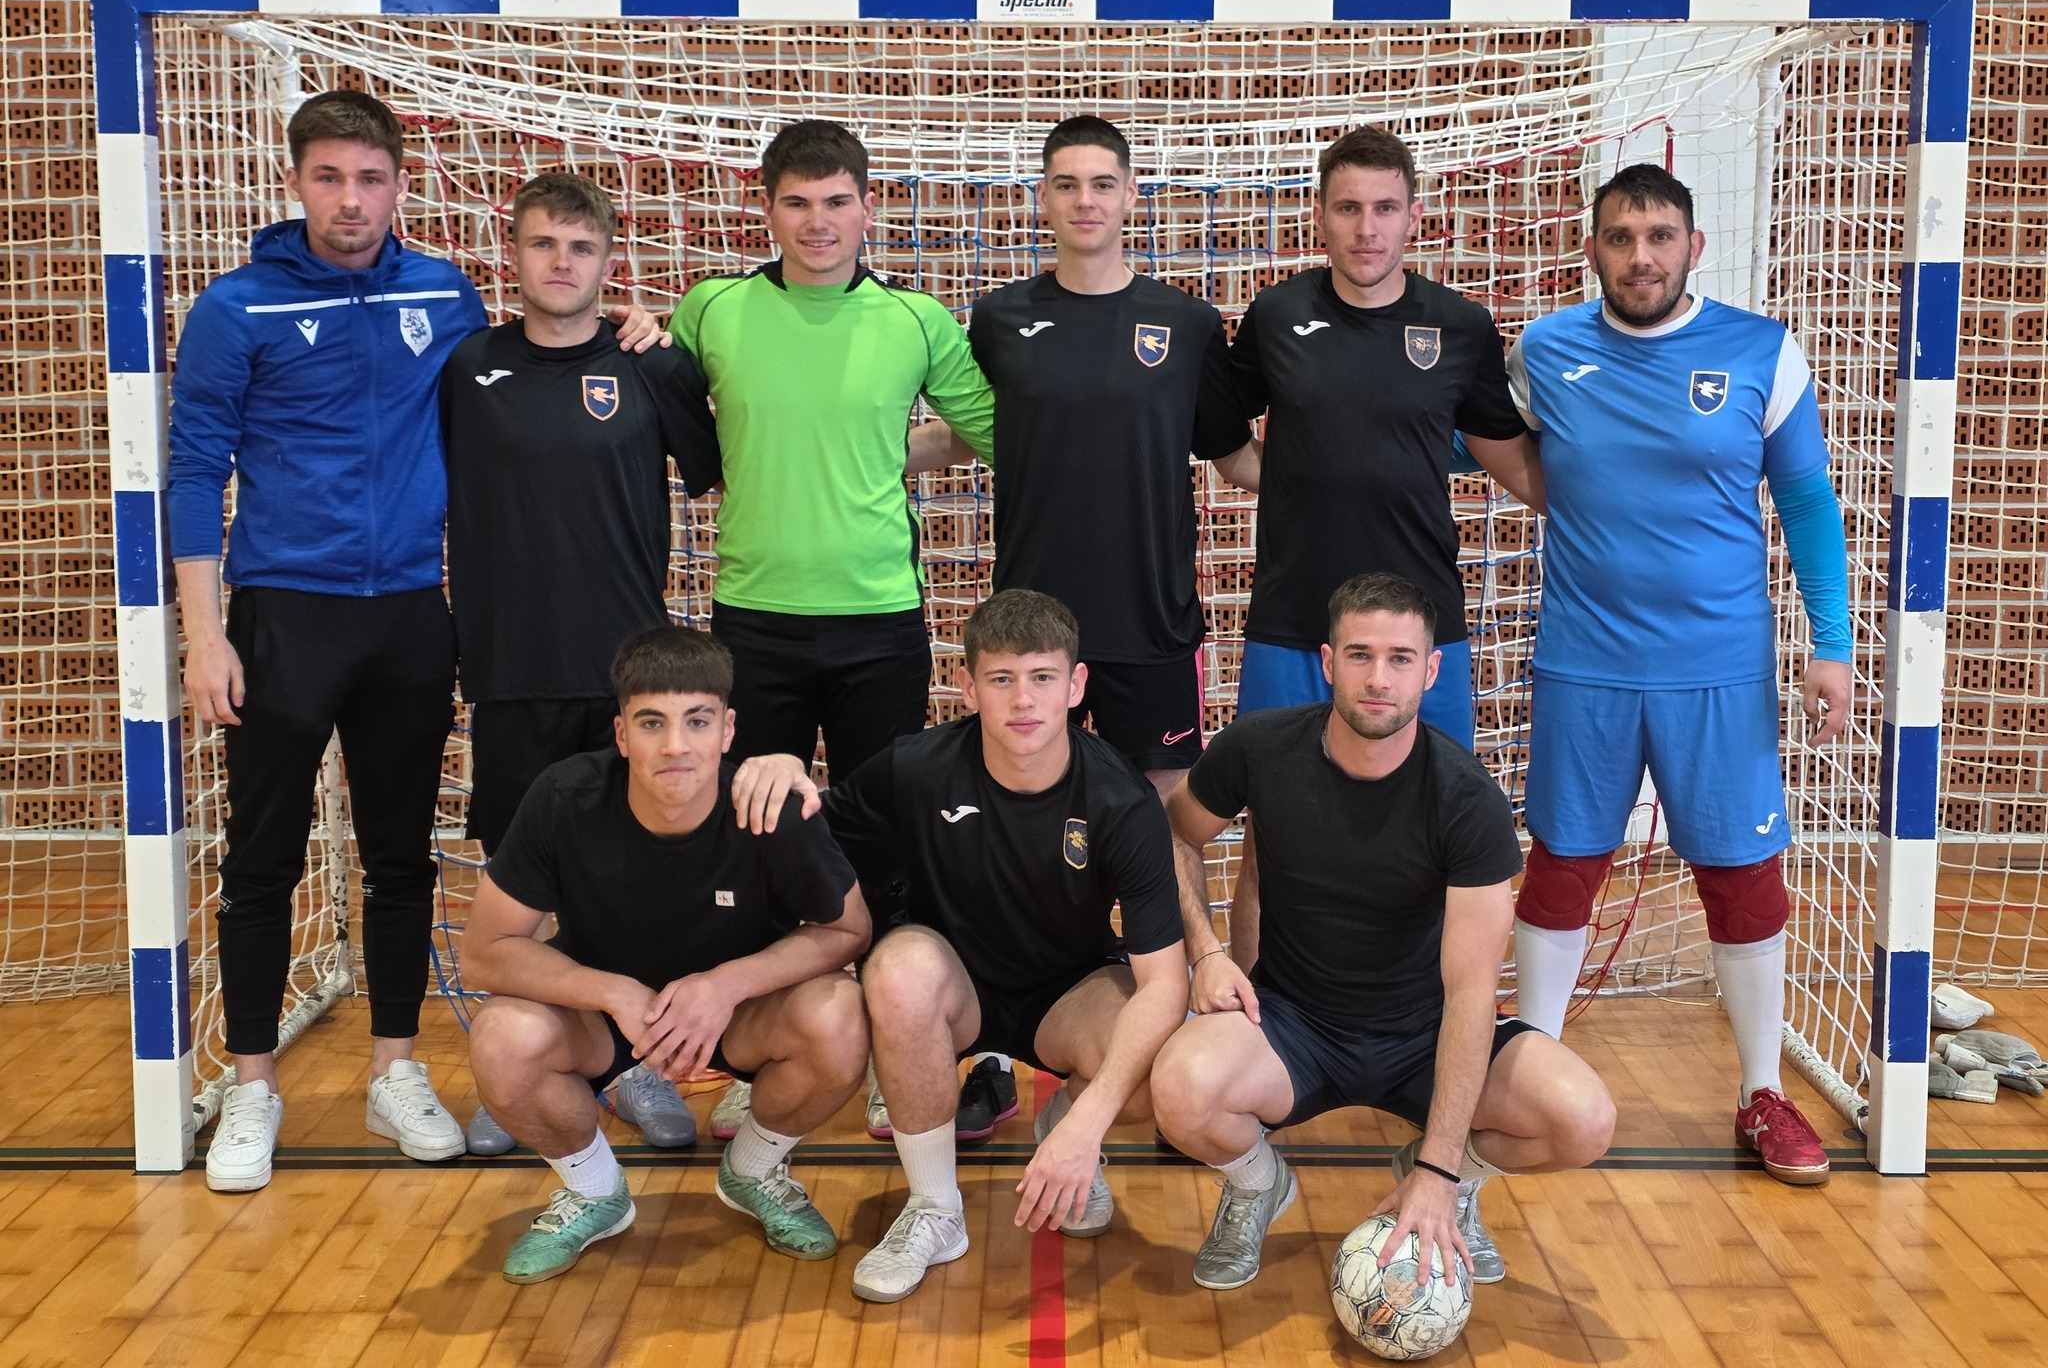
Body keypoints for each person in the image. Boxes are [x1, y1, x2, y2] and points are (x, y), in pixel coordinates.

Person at [168, 91, 662, 1193]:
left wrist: (633, 326)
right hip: (282, 614)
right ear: (294, 182)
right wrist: (204, 634)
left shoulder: (442, 293)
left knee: (400, 858)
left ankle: (395, 1069)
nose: (351, 200)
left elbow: (542, 358)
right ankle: (251, 1084)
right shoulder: (236, 308)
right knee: (262, 857)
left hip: (409, 615)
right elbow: (194, 469)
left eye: (370, 179)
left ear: (400, 185)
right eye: (329, 177)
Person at [1505, 163, 1853, 1186]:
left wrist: (1830, 644)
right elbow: (1464, 440)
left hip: (1719, 671)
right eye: (1620, 237)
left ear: (1693, 247)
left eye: (1660, 236)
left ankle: (1762, 1092)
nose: (1641, 256)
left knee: (1740, 876)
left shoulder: (1759, 351)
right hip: (1584, 664)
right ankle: (1531, 1074)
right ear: (1591, 251)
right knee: (1562, 865)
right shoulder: (1542, 351)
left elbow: (1806, 503)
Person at [1150, 574, 1613, 1292]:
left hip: (1423, 1034)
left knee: (1583, 1120)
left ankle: (1456, 1185)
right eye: (1359, 655)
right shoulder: (1261, 749)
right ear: (1328, 662)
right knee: (1180, 1090)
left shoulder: (1466, 800)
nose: (1378, 678)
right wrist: (1206, 953)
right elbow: (1173, 834)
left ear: (1430, 671)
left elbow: (1471, 993)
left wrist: (1440, 1167)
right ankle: (1258, 1186)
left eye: (1400, 658)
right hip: (1293, 1026)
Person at [730, 589, 1188, 1304]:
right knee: (898, 970)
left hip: (1067, 995)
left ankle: (1061, 1126)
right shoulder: (915, 767)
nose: (1023, 700)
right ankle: (935, 1209)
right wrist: (787, 779)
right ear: (968, 687)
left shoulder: (1121, 800)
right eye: (1001, 679)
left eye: (1042, 677)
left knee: (1161, 1067)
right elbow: (811, 834)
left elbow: (1165, 985)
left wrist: (1086, 1125)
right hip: (952, 988)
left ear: (1076, 685)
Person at [441, 171, 722, 1155]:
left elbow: (714, 468)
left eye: (581, 247)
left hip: (624, 678)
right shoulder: (468, 366)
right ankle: (518, 1069)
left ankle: (632, 1065)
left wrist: (667, 346)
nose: (561, 263)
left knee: (625, 881)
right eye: (543, 244)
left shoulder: (647, 364)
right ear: (512, 253)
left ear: (608, 260)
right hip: (513, 667)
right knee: (518, 888)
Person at [459, 625, 872, 1283]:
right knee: (501, 1036)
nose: (675, 744)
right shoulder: (565, 797)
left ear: (728, 731)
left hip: (739, 1017)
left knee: (842, 1015)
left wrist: (726, 985)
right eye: (652, 723)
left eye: (697, 721)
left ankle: (754, 1171)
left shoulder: (768, 808)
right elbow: (484, 954)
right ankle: (595, 1192)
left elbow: (849, 930)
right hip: (603, 1022)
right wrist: (613, 991)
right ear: (622, 735)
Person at [916, 115, 1258, 798]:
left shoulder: (1187, 322)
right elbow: (969, 434)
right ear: (1042, 196)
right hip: (1032, 620)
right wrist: (852, 457)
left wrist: (1348, 476)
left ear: (1130, 193)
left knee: (1163, 817)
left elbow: (1234, 455)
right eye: (1067, 185)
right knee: (1027, 808)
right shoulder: (1000, 318)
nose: (1085, 201)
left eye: (1102, 184)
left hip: (1151, 619)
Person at [665, 118, 996, 782]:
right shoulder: (710, 309)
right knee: (754, 820)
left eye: (837, 201)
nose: (818, 222)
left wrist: (877, 453)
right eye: (797, 202)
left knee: (878, 824)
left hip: (880, 617)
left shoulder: (916, 319)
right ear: (766, 209)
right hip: (753, 615)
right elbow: (664, 417)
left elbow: (997, 435)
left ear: (867, 208)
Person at [1227, 126, 1544, 749]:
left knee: (1433, 798)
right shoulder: (1276, 314)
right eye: (1348, 208)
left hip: (1419, 624)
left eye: (1385, 208)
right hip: (1293, 618)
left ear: (1413, 218)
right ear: (1319, 215)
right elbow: (1223, 441)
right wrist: (1298, 477)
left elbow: (1508, 458)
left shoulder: (1460, 326)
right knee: (1271, 797)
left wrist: (1614, 509)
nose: (1366, 229)